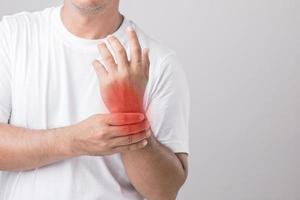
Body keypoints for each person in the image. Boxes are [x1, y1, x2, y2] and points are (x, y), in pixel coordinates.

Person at [0, 0, 190, 199]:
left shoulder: (160, 63)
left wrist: (129, 111)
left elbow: (163, 191)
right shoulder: (12, 35)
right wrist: (75, 140)